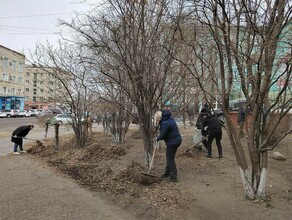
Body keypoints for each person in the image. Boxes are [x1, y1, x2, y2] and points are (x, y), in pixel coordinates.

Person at [156, 109, 182, 182]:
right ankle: (167, 173)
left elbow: (163, 134)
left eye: (157, 119)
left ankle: (173, 177)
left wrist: (157, 138)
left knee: (170, 158)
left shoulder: (165, 123)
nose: (157, 121)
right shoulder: (169, 119)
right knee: (169, 158)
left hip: (173, 142)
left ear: (159, 117)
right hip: (176, 140)